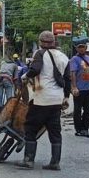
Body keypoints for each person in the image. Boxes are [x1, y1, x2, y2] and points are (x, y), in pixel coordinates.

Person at [16, 31, 70, 170]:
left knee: (31, 127)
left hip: (42, 98)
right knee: (54, 130)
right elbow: (67, 79)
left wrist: (25, 76)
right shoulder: (63, 57)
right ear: (54, 42)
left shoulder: (39, 54)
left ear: (40, 42)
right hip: (57, 99)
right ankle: (55, 162)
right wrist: (66, 97)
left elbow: (35, 69)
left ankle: (28, 160)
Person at [69, 41, 89, 138]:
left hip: (87, 88)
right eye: (79, 47)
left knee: (87, 110)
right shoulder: (74, 59)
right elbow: (72, 74)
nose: (81, 49)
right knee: (77, 110)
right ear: (76, 48)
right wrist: (74, 87)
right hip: (79, 89)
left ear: (86, 47)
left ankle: (85, 129)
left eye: (83, 47)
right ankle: (79, 129)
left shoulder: (88, 58)